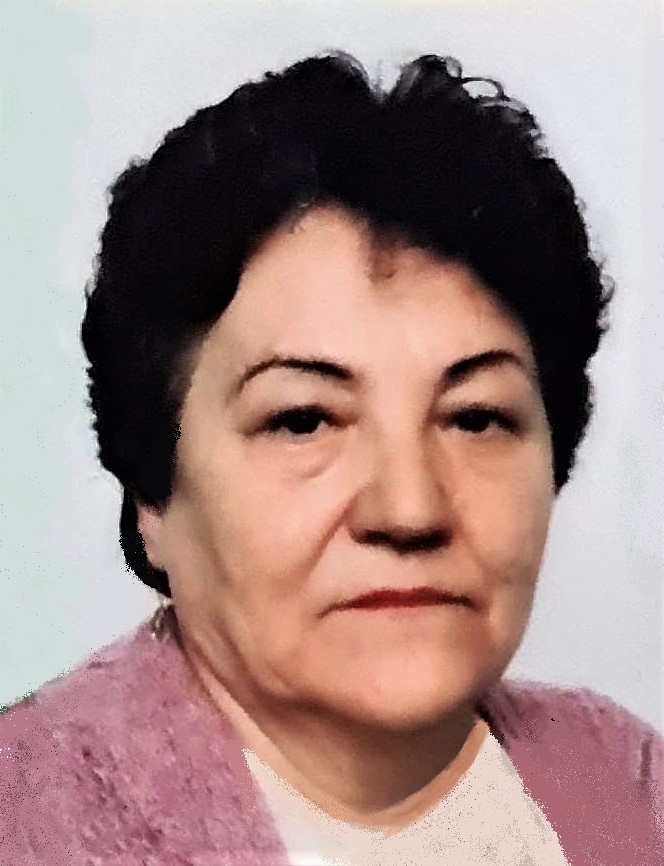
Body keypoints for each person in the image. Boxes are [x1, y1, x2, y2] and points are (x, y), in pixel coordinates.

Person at [1, 52, 661, 865]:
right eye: (304, 420)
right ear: (153, 498)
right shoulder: (26, 821)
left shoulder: (630, 784)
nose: (409, 510)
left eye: (476, 417)